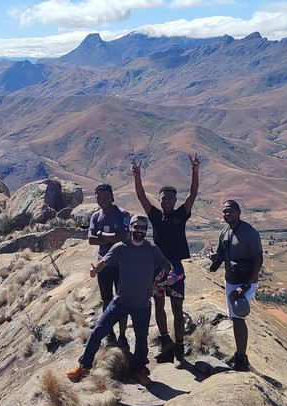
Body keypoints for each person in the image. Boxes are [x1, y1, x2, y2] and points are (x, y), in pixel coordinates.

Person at [68, 214, 172, 385]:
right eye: (136, 227)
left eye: (142, 228)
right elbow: (103, 262)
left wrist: (169, 277)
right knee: (98, 331)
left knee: (141, 341)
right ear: (130, 228)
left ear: (146, 230)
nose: (139, 230)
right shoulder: (120, 247)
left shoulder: (152, 249)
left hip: (142, 305)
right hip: (121, 301)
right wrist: (95, 270)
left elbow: (168, 266)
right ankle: (84, 366)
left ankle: (138, 371)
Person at [131, 153, 199, 365]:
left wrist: (195, 172)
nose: (167, 201)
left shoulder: (181, 214)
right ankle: (165, 342)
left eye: (170, 198)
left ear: (175, 200)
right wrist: (137, 177)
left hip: (176, 267)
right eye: (163, 198)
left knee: (177, 308)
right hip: (157, 266)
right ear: (159, 200)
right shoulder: (155, 215)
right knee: (158, 304)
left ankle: (179, 350)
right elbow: (142, 197)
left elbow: (193, 194)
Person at [209, 199, 263, 371]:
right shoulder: (224, 233)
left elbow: (258, 259)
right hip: (231, 280)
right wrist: (214, 258)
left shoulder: (249, 232)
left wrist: (246, 285)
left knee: (239, 318)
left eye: (231, 211)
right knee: (234, 317)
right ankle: (239, 354)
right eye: (224, 211)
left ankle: (242, 359)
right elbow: (220, 255)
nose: (227, 214)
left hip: (245, 282)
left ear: (239, 212)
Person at [88, 182, 130, 346]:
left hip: (122, 264)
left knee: (123, 300)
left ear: (112, 196)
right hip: (103, 265)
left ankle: (123, 335)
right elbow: (91, 240)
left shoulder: (123, 214)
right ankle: (109, 332)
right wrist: (110, 236)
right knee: (106, 299)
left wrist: (100, 234)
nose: (103, 200)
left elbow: (122, 236)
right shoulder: (95, 216)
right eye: (100, 197)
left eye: (106, 196)